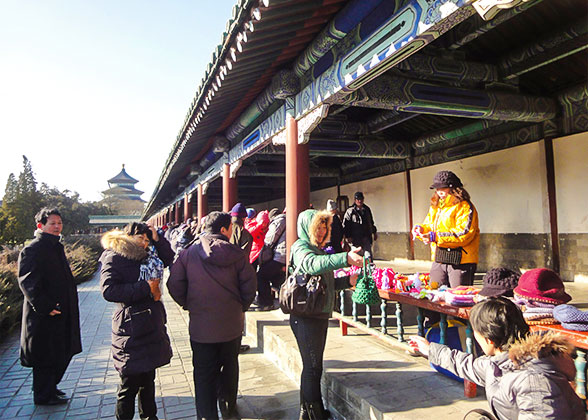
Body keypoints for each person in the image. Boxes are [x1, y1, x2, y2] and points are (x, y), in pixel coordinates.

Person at [409, 297, 584, 420]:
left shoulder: (532, 380)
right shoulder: (500, 362)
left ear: (489, 340)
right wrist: (429, 349)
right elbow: (465, 364)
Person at [167, 211, 257, 420]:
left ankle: (206, 415)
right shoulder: (236, 254)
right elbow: (249, 287)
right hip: (231, 324)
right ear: (224, 229)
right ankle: (228, 408)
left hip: (201, 327)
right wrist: (240, 307)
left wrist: (188, 304)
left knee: (204, 374)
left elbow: (173, 284)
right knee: (230, 366)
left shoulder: (188, 253)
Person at [290, 209, 363, 419]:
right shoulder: (301, 248)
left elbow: (324, 283)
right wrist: (345, 258)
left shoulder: (319, 250)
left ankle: (307, 411)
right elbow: (312, 266)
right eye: (318, 227)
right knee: (313, 368)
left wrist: (347, 281)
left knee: (313, 367)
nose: (322, 232)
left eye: (325, 227)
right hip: (305, 316)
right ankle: (315, 414)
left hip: (317, 313)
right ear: (307, 228)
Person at [99, 222, 174, 420]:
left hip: (151, 321)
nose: (144, 242)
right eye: (140, 237)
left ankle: (150, 417)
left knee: (148, 379)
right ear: (128, 236)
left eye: (147, 239)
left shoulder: (150, 255)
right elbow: (108, 290)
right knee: (128, 383)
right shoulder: (114, 255)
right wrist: (145, 287)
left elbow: (169, 259)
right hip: (130, 327)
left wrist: (158, 238)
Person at [18, 208, 82, 405]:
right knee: (45, 354)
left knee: (61, 351)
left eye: (59, 223)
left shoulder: (56, 247)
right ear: (41, 226)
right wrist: (45, 306)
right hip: (44, 314)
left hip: (61, 311)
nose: (57, 227)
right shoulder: (32, 249)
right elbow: (28, 281)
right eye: (52, 223)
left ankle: (51, 388)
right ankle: (43, 395)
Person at [412, 170, 479, 288]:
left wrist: (435, 237)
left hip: (461, 261)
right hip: (439, 258)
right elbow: (428, 225)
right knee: (434, 293)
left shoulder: (465, 207)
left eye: (443, 188)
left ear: (453, 188)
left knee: (458, 298)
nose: (439, 191)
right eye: (437, 189)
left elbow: (464, 234)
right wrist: (420, 230)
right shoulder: (436, 206)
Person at [256, 208, 286, 311]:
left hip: (279, 256)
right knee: (277, 278)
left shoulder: (278, 222)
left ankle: (266, 303)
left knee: (261, 276)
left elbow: (269, 239)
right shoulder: (288, 220)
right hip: (286, 256)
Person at [342, 191, 377, 258]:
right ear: (355, 200)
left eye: (361, 199)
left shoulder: (367, 210)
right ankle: (357, 268)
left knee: (368, 256)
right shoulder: (350, 211)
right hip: (355, 239)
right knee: (357, 257)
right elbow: (346, 225)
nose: (360, 201)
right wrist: (347, 236)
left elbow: (371, 222)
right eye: (358, 199)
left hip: (366, 236)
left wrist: (374, 232)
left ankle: (369, 268)